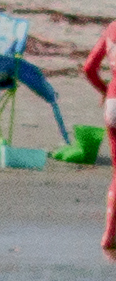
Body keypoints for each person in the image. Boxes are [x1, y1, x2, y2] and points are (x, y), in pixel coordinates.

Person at [83, 19, 116, 251]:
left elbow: (89, 68)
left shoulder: (112, 28)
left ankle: (108, 235)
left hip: (113, 102)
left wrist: (105, 90)